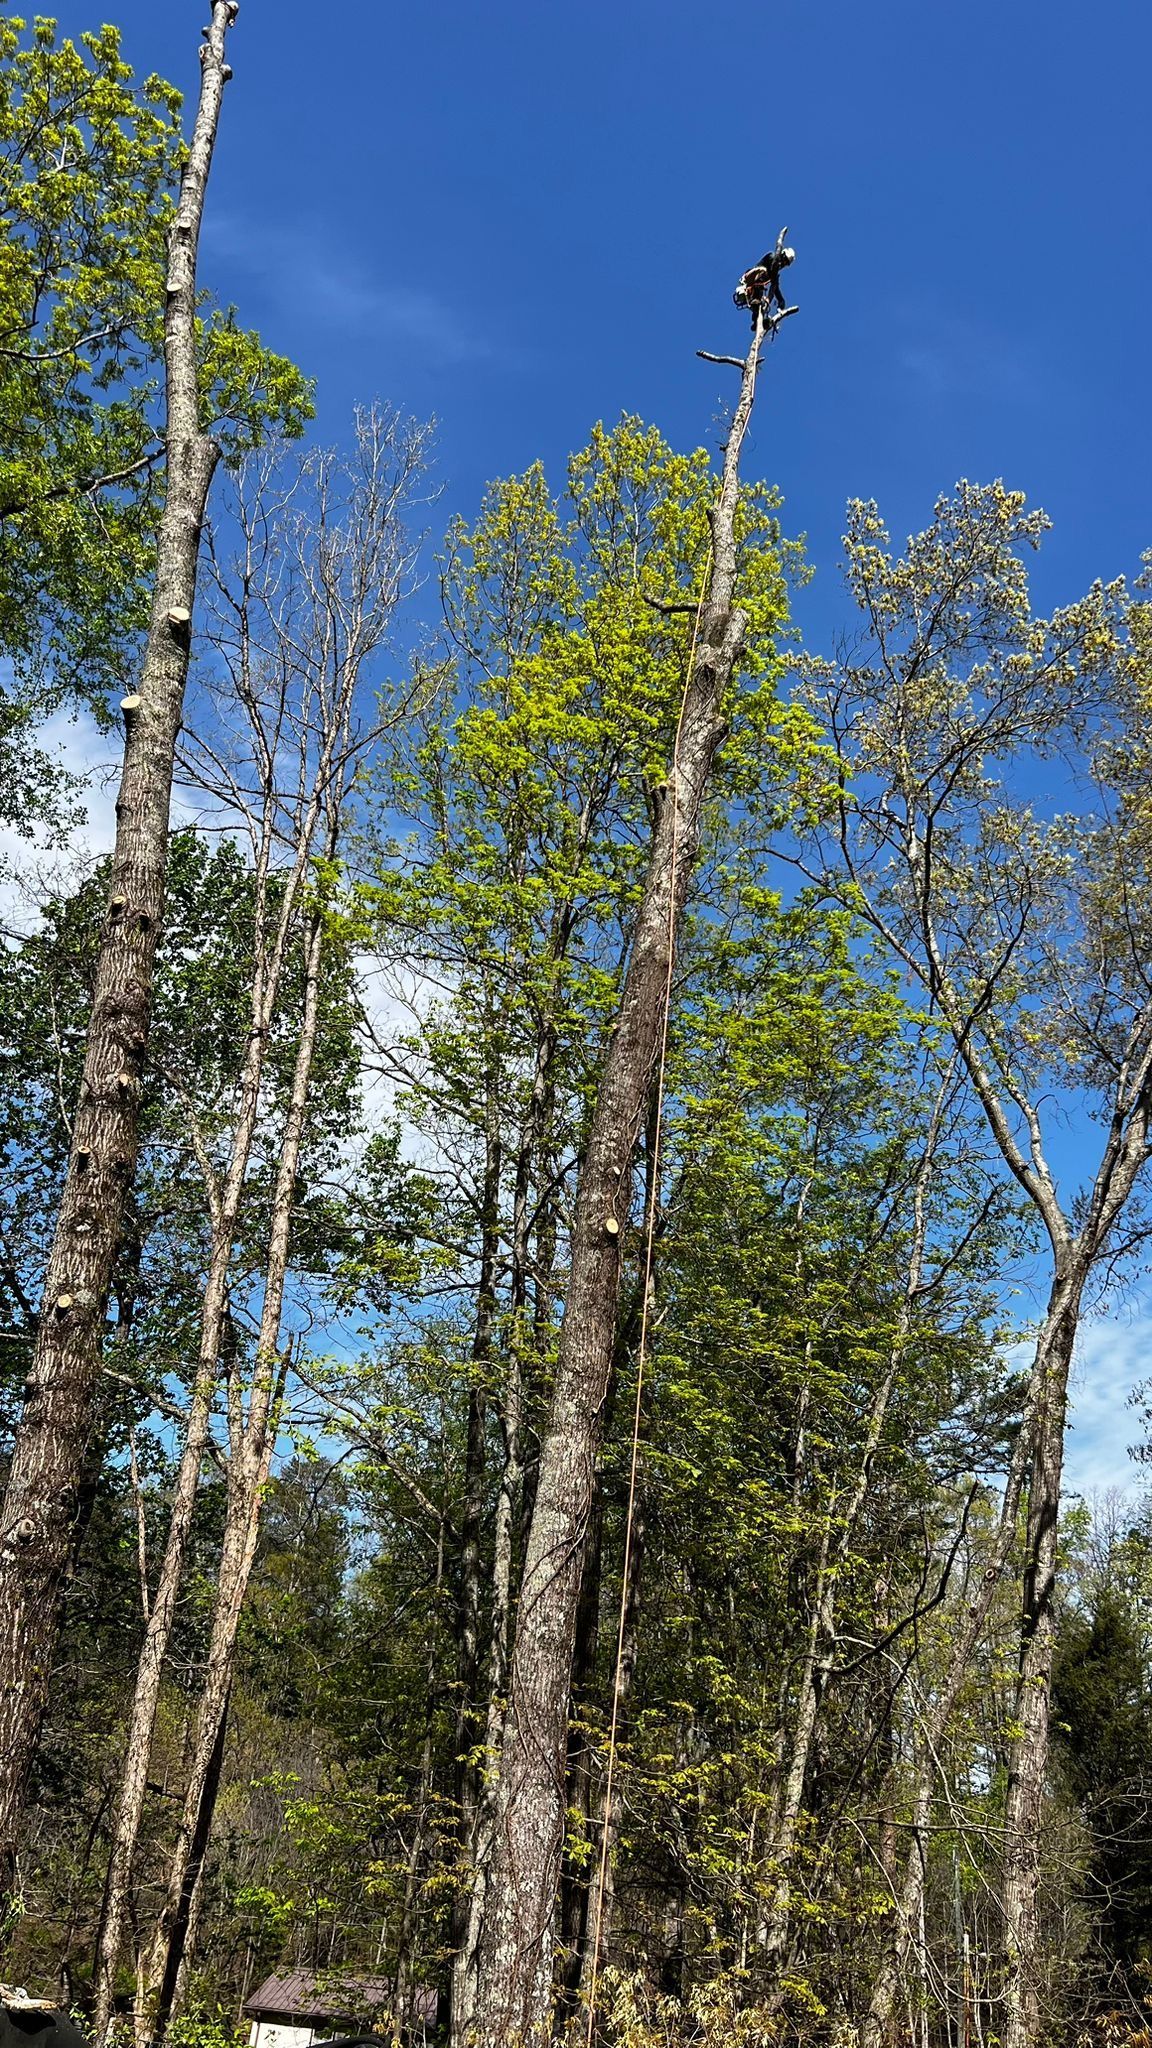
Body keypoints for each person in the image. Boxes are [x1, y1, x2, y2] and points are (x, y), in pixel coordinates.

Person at [733, 243, 795, 326]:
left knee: (763, 301)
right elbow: (769, 273)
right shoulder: (772, 257)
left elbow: (775, 288)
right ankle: (756, 303)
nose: (783, 264)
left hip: (755, 288)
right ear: (782, 254)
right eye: (784, 260)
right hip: (750, 280)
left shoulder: (775, 274)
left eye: (786, 263)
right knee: (763, 273)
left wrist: (781, 300)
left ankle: (758, 320)